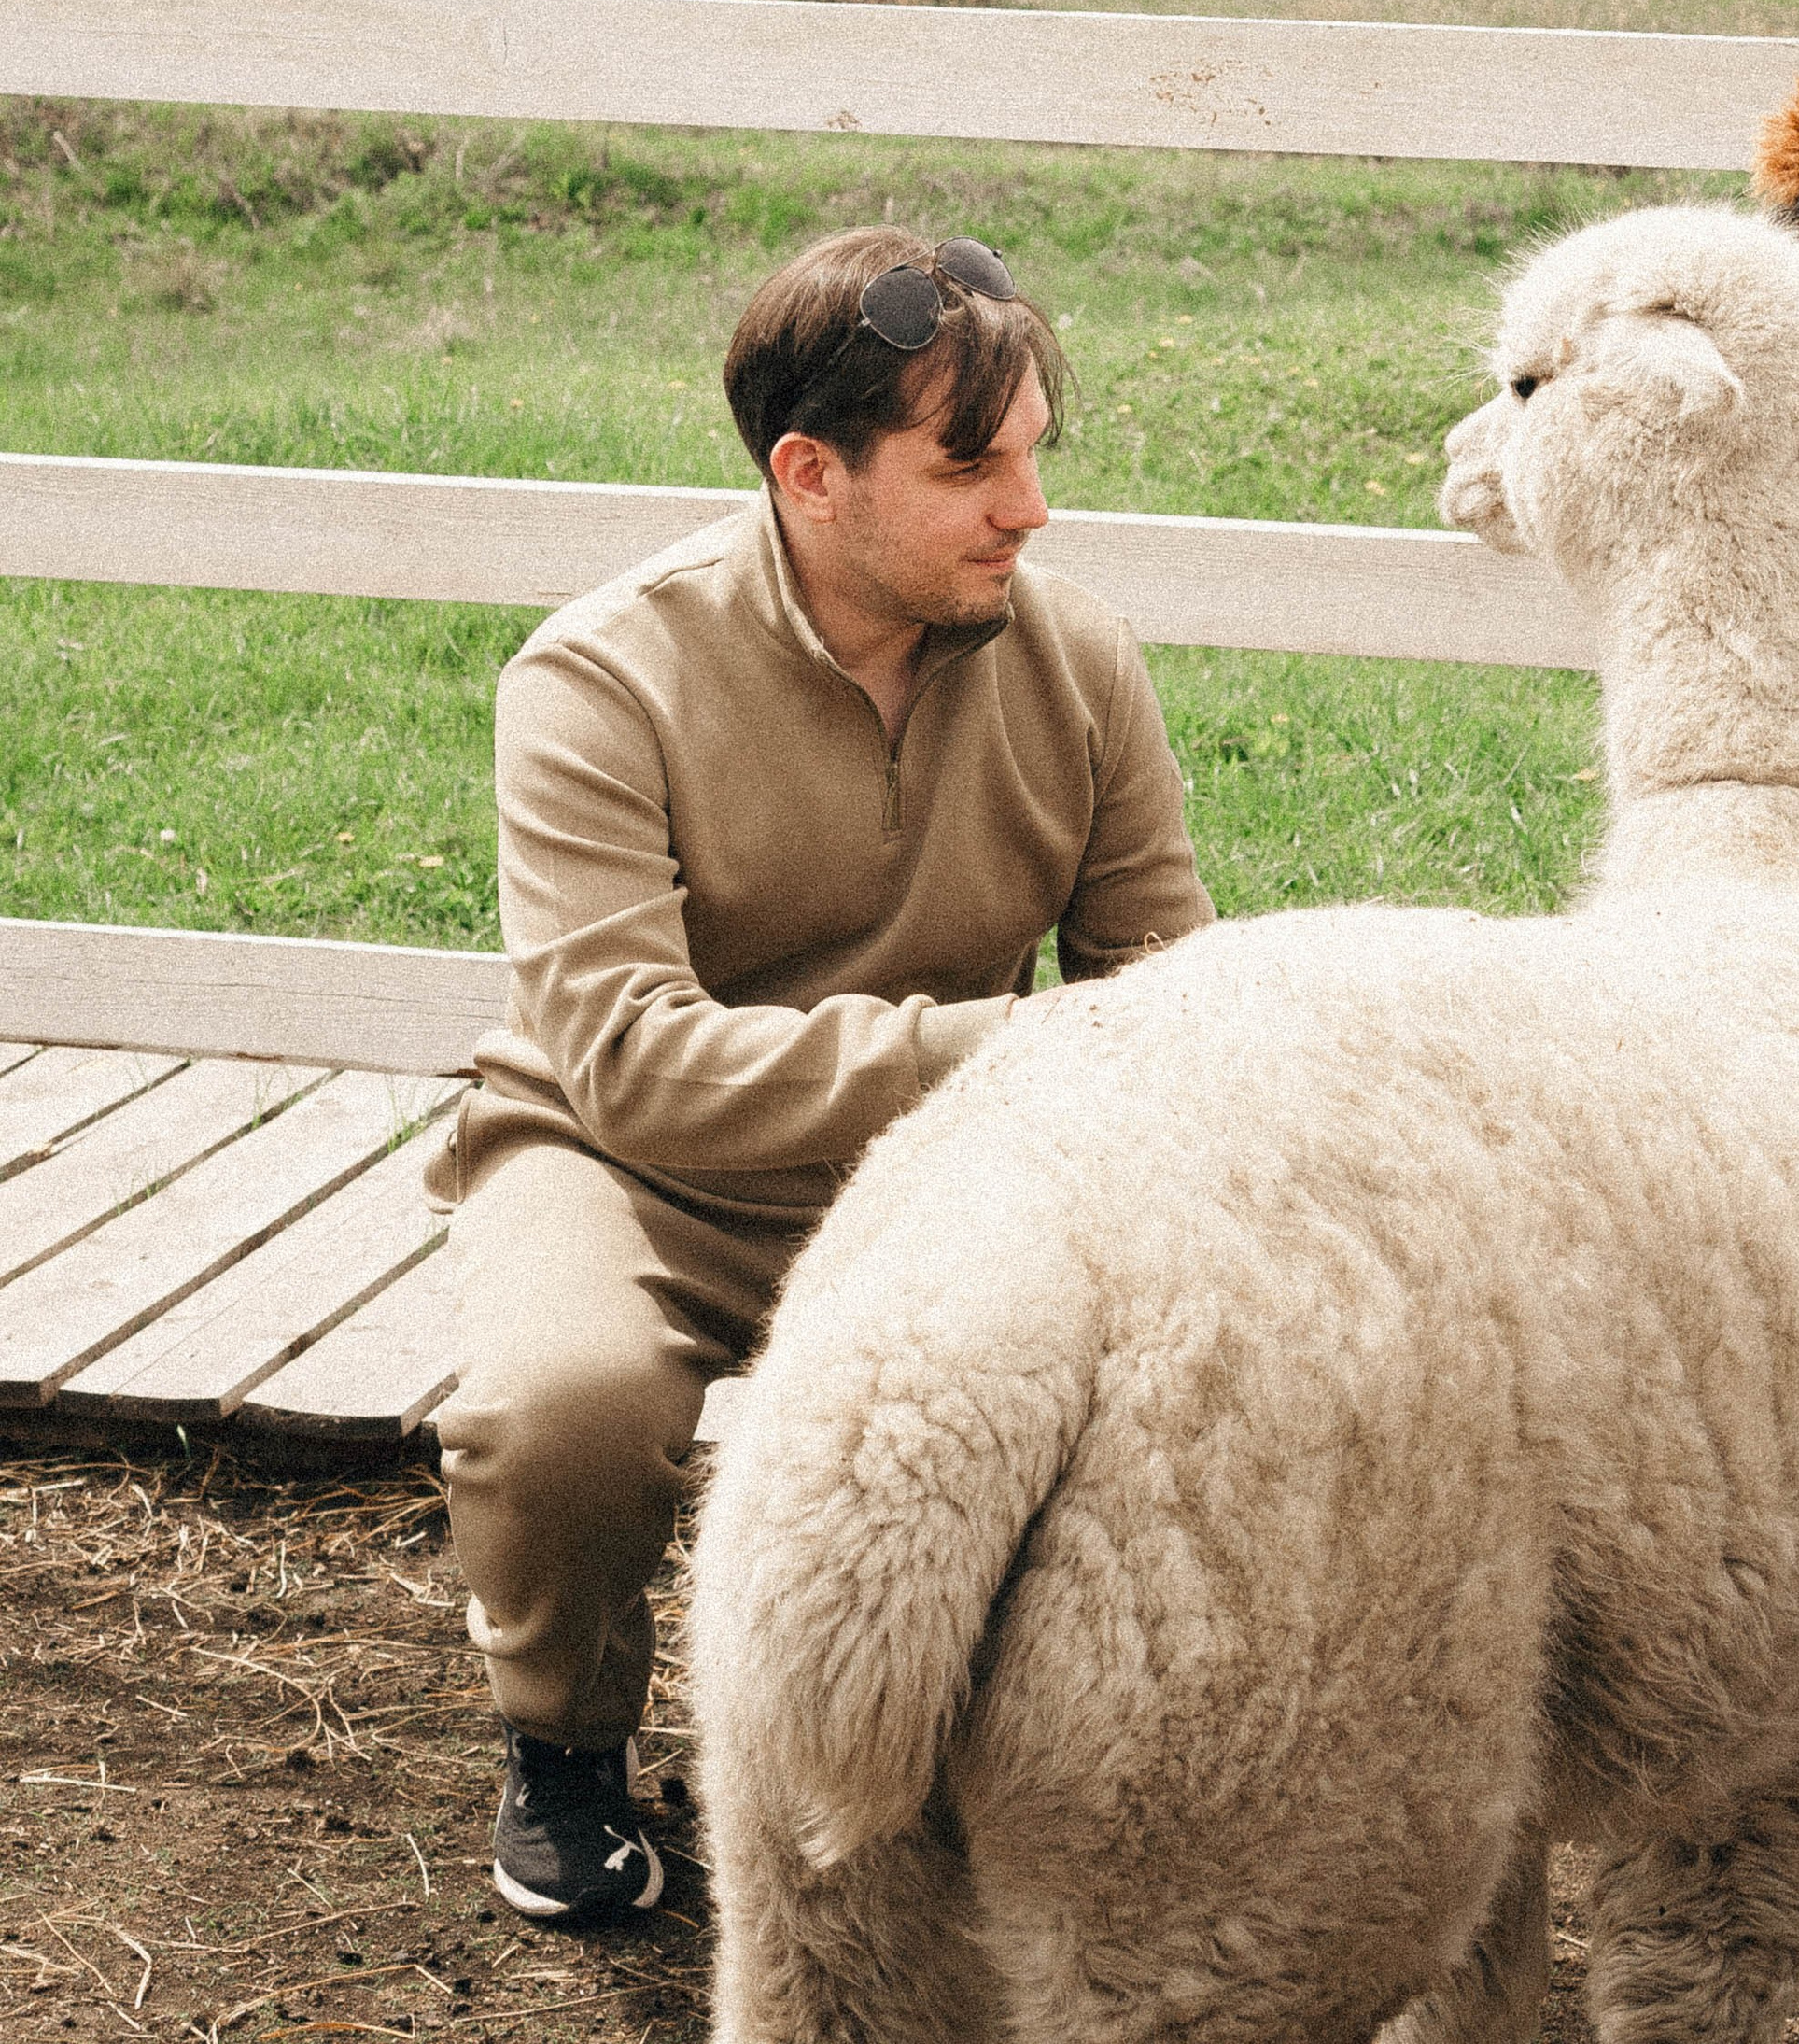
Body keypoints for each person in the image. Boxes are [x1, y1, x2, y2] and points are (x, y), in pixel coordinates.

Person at [429, 224, 1216, 1926]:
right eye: (970, 465)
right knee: (561, 1408)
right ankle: (564, 1750)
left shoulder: (1079, 663)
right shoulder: (595, 678)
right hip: (624, 1166)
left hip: (944, 1174)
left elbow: (1165, 990)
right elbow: (634, 1065)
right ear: (811, 476)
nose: (1030, 509)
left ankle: (995, 1761)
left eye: (1030, 460)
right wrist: (1004, 1048)